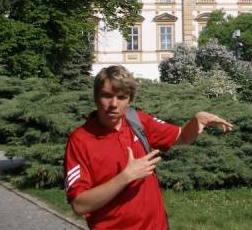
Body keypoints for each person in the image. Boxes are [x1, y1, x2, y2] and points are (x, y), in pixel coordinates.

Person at [64, 65, 233, 230]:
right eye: (107, 95)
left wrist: (196, 121)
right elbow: (79, 205)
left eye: (121, 97)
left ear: (129, 100)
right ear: (96, 98)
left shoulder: (138, 121)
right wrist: (126, 177)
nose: (114, 103)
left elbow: (183, 137)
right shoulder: (80, 140)